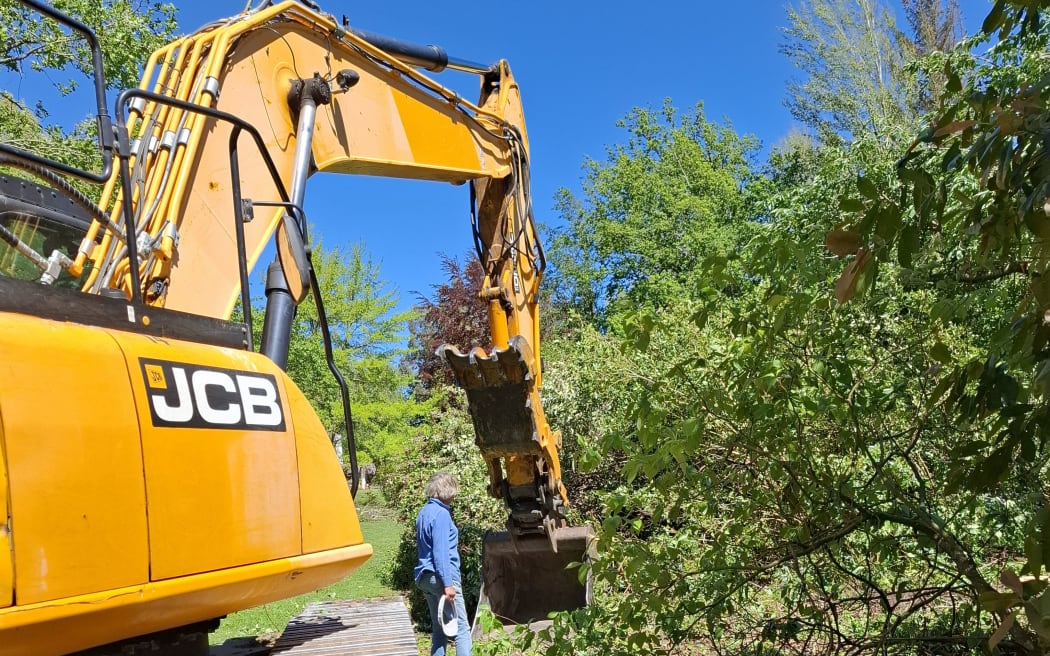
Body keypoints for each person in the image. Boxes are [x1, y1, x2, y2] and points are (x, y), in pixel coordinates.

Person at [414, 471, 472, 656]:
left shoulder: (424, 511)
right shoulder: (441, 515)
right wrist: (448, 584)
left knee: (439, 629)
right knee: (462, 628)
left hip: (425, 577)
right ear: (448, 492)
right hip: (441, 577)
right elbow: (440, 554)